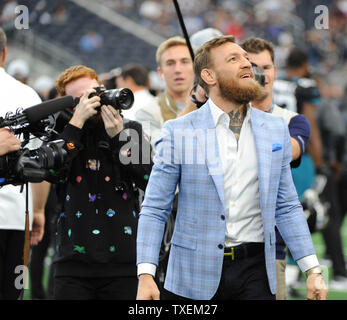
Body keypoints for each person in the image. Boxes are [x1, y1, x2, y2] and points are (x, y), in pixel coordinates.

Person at [136, 35, 328, 300]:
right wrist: (146, 274)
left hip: (257, 272)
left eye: (246, 59)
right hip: (192, 274)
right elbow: (156, 207)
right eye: (233, 59)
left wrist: (313, 270)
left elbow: (286, 206)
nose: (247, 64)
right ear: (209, 76)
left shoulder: (275, 129)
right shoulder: (178, 131)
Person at [49, 65, 152, 300]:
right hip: (72, 264)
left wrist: (119, 139)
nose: (92, 102)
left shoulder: (130, 129)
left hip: (123, 263)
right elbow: (53, 172)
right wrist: (75, 126)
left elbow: (149, 179)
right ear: (69, 106)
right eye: (82, 99)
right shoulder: (61, 135)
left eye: (95, 93)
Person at [240, 37, 311, 300]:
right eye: (253, 66)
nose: (261, 74)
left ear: (275, 71)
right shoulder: (223, 116)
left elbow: (288, 151)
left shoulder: (292, 121)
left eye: (266, 67)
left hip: (271, 250)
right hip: (223, 251)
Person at [0, 27, 46, 300]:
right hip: (18, 215)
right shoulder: (27, 94)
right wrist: (38, 210)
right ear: (4, 53)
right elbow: (39, 162)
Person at [135, 36, 194, 146]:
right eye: (170, 63)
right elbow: (160, 150)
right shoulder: (148, 113)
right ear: (160, 72)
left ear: (195, 67)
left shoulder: (214, 106)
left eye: (185, 62)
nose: (177, 70)